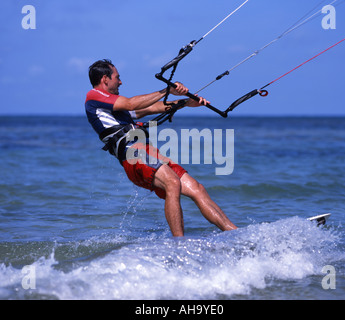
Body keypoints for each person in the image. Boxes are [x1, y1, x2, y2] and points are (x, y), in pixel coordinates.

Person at [85, 59, 237, 237]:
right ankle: (179, 245)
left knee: (197, 188)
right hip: (134, 155)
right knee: (173, 183)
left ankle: (236, 234)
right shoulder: (93, 96)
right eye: (117, 78)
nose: (120, 82)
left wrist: (185, 102)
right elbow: (131, 104)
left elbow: (151, 108)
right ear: (105, 79)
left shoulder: (113, 106)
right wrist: (166, 90)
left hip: (146, 154)